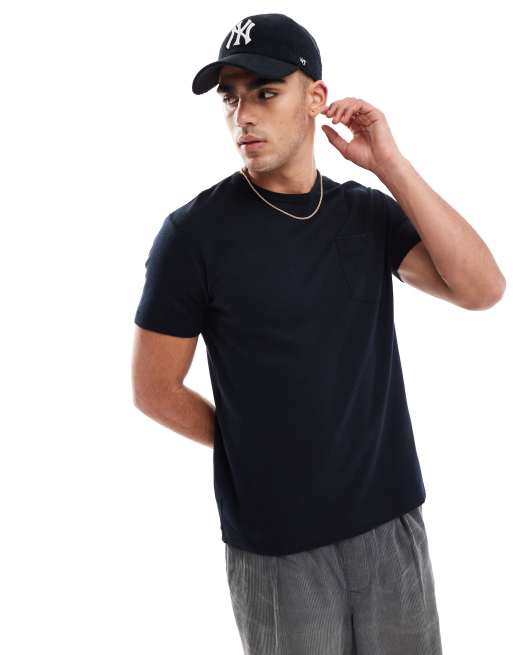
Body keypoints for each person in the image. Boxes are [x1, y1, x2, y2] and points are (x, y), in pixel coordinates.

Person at [131, 13, 506, 655]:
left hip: (389, 520)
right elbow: (154, 390)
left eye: (265, 92)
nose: (243, 115)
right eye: (231, 98)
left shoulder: (365, 213)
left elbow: (482, 289)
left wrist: (390, 165)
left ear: (315, 98)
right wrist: (256, 447)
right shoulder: (192, 236)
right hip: (278, 545)